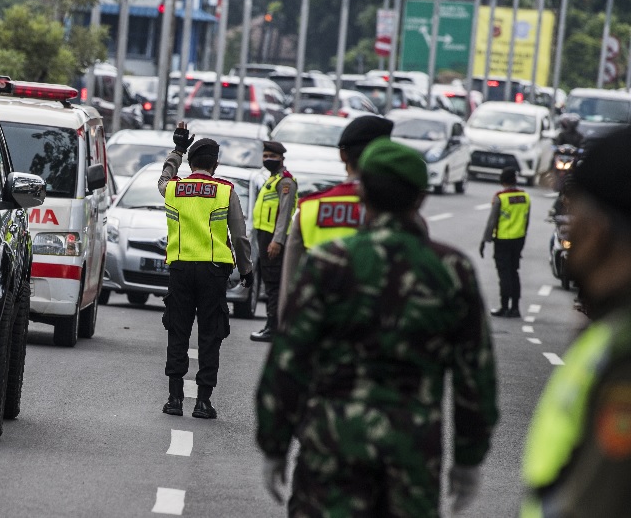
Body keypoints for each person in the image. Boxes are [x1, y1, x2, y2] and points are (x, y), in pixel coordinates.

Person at [256, 137, 498, 516]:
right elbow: (475, 375)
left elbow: (288, 360)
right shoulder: (451, 271)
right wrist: (468, 459)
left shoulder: (328, 263)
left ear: (363, 193)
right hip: (412, 457)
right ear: (421, 198)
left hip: (331, 452)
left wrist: (274, 444)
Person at [521, 126, 631, 516]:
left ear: (598, 229)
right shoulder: (610, 329)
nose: (569, 225)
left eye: (575, 213)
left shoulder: (622, 354)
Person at [158, 121, 254, 419]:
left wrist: (177, 149)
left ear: (191, 161)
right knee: (210, 335)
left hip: (181, 269)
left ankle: (174, 399)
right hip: (214, 273)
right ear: (215, 163)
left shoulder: (173, 188)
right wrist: (246, 268)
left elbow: (163, 177)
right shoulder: (226, 191)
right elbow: (239, 235)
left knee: (178, 330)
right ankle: (202, 402)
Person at [276, 114, 394, 326]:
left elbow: (290, 290)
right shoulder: (398, 211)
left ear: (343, 155)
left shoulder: (311, 208)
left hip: (321, 330)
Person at [250, 140, 298, 342]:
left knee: (274, 285)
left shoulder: (285, 182)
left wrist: (277, 241)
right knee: (269, 283)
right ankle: (272, 326)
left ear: (282, 158)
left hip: (273, 239)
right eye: (265, 156)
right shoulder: (272, 179)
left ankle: (273, 327)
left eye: (273, 157)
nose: (268, 159)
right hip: (264, 236)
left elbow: (285, 214)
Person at [479, 167, 531, 318]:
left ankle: (504, 306)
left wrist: (484, 240)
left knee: (504, 274)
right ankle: (515, 308)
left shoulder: (500, 197)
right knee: (514, 272)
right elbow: (526, 220)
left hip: (502, 240)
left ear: (502, 180)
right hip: (519, 239)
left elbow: (492, 222)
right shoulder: (525, 197)